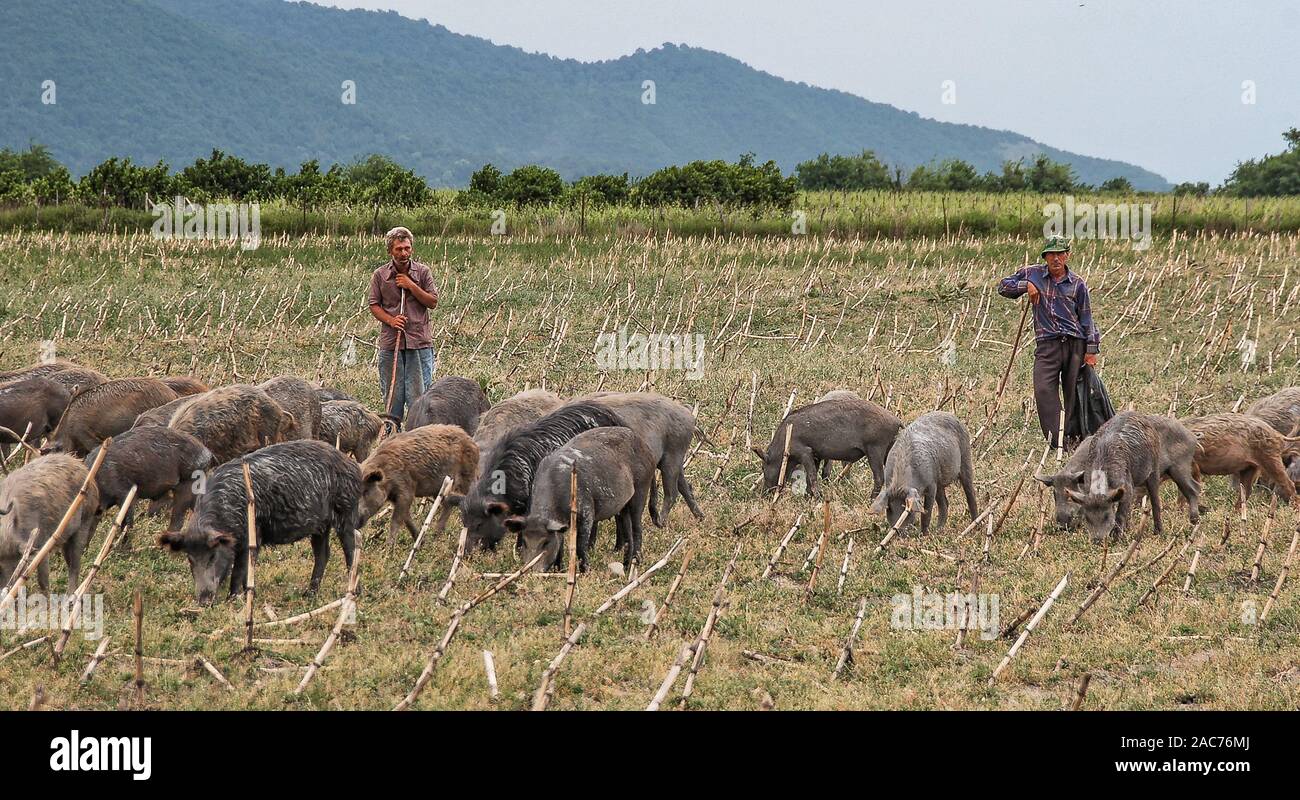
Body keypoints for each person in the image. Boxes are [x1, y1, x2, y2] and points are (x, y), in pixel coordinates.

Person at [997, 236, 1100, 449]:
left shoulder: (1078, 284)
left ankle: (1074, 439)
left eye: (1060, 254)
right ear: (1045, 257)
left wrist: (1091, 349)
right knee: (1043, 389)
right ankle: (1057, 440)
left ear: (1067, 256)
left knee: (1073, 393)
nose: (1055, 258)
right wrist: (1026, 286)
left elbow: (1087, 318)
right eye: (1051, 254)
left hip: (1075, 344)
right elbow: (1003, 286)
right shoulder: (1033, 273)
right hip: (1047, 345)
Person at [367, 227, 438, 429]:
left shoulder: (422, 272)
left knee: (419, 397)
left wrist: (410, 285)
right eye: (399, 249)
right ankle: (391, 438)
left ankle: (419, 438)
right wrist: (391, 321)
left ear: (412, 249)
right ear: (390, 251)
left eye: (407, 248)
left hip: (419, 343)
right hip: (391, 345)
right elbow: (373, 304)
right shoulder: (380, 275)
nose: (404, 253)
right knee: (393, 397)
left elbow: (432, 302)